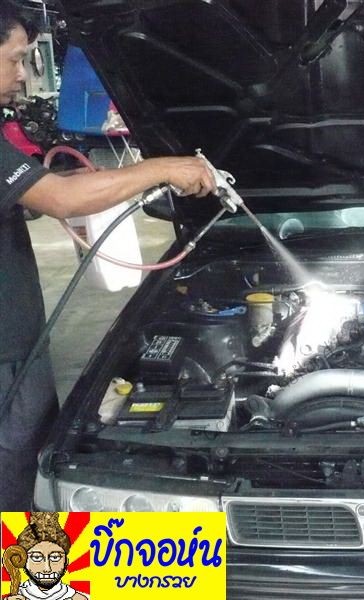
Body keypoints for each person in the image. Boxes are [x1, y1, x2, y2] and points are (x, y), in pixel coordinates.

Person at [0, 2, 216, 510]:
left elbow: (42, 193)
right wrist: (163, 168)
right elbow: (61, 200)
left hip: (12, 344)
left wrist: (60, 188)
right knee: (21, 474)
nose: (22, 74)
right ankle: (29, 561)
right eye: (15, 59)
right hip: (4, 354)